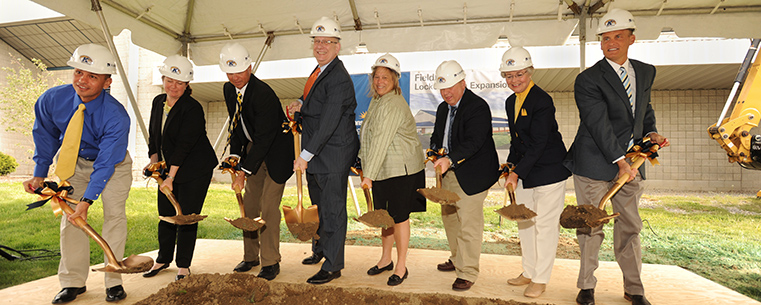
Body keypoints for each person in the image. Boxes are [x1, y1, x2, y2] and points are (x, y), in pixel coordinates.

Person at [564, 9, 670, 305]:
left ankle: (634, 289)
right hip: (594, 161)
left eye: (617, 37)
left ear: (631, 39)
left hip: (631, 164)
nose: (610, 43)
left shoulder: (646, 71)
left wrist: (651, 134)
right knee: (591, 225)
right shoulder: (588, 79)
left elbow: (643, 110)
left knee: (630, 226)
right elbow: (598, 123)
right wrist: (620, 161)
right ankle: (586, 286)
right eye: (605, 38)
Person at [23, 43, 132, 303]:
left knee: (114, 217)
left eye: (92, 76)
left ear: (107, 82)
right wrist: (40, 173)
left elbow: (106, 164)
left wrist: (86, 201)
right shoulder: (52, 100)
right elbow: (45, 135)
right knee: (71, 220)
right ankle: (72, 282)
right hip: (74, 162)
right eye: (79, 72)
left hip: (113, 166)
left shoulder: (116, 116)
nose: (82, 80)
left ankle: (113, 280)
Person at [288, 16, 360, 285]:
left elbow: (330, 120)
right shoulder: (320, 71)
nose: (320, 46)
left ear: (337, 46)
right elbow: (314, 99)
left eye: (326, 42)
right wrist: (299, 101)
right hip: (318, 153)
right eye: (316, 41)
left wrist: (305, 156)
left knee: (332, 210)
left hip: (331, 154)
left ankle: (333, 265)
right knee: (319, 207)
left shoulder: (338, 77)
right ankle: (320, 250)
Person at [499, 47, 571, 298]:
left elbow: (539, 143)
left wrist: (517, 173)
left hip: (550, 171)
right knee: (526, 224)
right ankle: (528, 271)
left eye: (519, 74)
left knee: (545, 226)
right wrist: (509, 166)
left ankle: (540, 279)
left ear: (529, 72)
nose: (514, 80)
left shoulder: (542, 100)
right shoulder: (511, 102)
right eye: (509, 76)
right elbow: (517, 140)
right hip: (526, 171)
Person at [219, 42, 294, 281]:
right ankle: (250, 256)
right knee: (249, 206)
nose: (235, 77)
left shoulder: (263, 94)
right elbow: (236, 124)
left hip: (276, 152)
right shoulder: (229, 90)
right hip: (254, 149)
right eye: (230, 73)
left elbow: (264, 139)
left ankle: (271, 261)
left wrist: (243, 171)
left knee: (269, 208)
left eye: (239, 72)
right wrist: (235, 156)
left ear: (250, 67)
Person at [142, 55, 218, 281]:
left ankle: (183, 265)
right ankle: (163, 259)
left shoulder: (192, 108)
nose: (173, 87)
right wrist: (155, 163)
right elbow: (154, 134)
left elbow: (185, 145)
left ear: (187, 85)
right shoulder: (158, 102)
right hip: (168, 168)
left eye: (179, 83)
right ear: (163, 78)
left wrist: (171, 176)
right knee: (165, 214)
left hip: (195, 169)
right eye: (169, 81)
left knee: (185, 216)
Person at [429, 60, 499, 291]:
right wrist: (433, 151)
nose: (446, 93)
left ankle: (467, 271)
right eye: (442, 88)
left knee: (468, 223)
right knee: (450, 218)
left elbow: (475, 141)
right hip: (449, 173)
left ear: (463, 83)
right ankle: (457, 257)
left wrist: (449, 159)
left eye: (450, 87)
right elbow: (438, 136)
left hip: (473, 174)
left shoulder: (477, 107)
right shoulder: (442, 109)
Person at [358, 54, 426, 286]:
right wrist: (361, 162)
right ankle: (386, 259)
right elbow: (368, 136)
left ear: (395, 79)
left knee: (399, 218)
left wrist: (368, 175)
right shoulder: (377, 101)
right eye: (376, 76)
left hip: (402, 171)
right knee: (385, 218)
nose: (379, 81)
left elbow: (381, 140)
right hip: (383, 170)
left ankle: (401, 265)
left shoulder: (394, 103)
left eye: (385, 77)